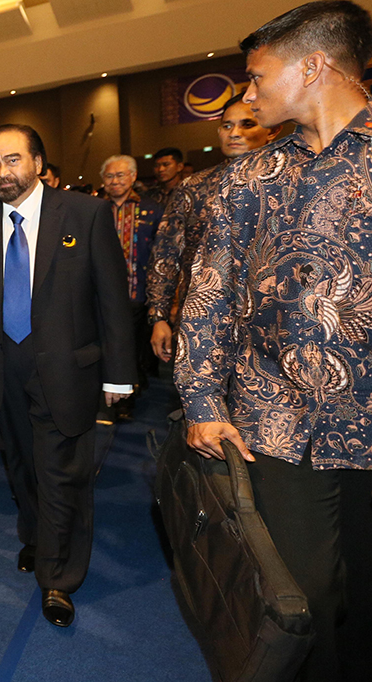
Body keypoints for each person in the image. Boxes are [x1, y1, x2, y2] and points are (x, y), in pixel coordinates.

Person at [178, 3, 372, 679]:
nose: (249, 94)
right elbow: (208, 297)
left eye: (258, 78)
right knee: (302, 601)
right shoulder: (251, 177)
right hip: (278, 424)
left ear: (314, 66)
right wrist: (202, 400)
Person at [0, 124, 135, 627]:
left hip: (67, 371)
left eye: (12, 160)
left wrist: (119, 373)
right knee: (22, 467)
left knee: (62, 475)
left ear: (39, 162)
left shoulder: (85, 214)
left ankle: (58, 579)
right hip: (2, 371)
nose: (2, 173)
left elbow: (112, 297)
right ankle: (38, 538)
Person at [146, 93, 280, 364]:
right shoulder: (193, 187)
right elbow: (165, 255)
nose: (235, 133)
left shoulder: (289, 182)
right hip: (203, 320)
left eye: (247, 124)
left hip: (272, 320)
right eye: (227, 126)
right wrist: (159, 316)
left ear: (271, 130)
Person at [99, 155, 162, 416]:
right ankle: (118, 394)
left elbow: (162, 253)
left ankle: (130, 392)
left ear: (133, 177)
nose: (115, 181)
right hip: (102, 293)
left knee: (134, 345)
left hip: (139, 291)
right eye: (109, 176)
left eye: (120, 175)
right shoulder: (94, 209)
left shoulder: (152, 208)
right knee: (111, 344)